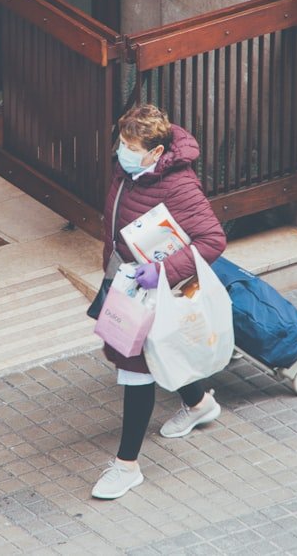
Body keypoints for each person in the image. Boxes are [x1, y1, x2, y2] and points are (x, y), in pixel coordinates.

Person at [91, 104, 227, 500]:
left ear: (154, 153)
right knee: (147, 350)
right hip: (127, 280)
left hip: (156, 288)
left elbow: (213, 240)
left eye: (132, 146)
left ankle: (126, 466)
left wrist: (162, 272)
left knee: (136, 368)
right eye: (121, 143)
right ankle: (199, 403)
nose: (122, 151)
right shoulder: (128, 171)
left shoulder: (178, 185)